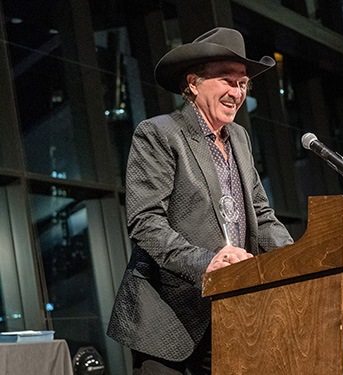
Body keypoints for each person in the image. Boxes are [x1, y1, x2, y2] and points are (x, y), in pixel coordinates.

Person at [107, 27, 293, 374]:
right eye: (226, 80)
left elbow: (262, 216)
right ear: (193, 83)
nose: (236, 92)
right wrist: (207, 262)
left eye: (242, 83)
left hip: (230, 314)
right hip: (165, 320)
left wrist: (297, 259)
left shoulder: (239, 138)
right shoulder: (159, 133)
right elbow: (145, 222)